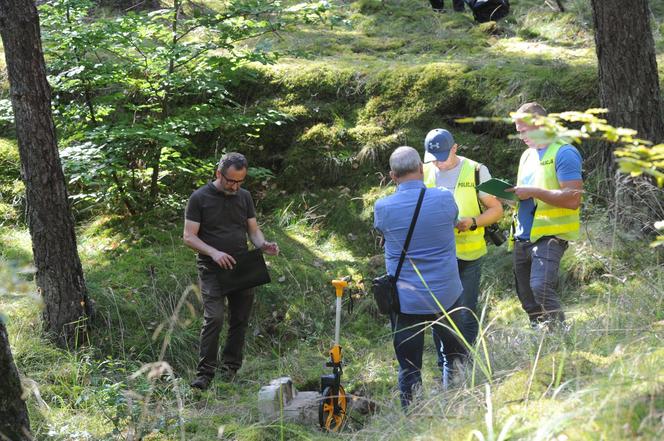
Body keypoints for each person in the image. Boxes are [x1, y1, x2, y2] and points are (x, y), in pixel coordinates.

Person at [374, 146, 466, 409]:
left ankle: (413, 418)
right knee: (454, 356)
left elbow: (381, 230)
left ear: (393, 175)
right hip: (446, 296)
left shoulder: (383, 207)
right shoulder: (444, 199)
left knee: (409, 367)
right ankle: (459, 406)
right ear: (422, 169)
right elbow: (453, 221)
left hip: (406, 299)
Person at [183, 152, 279, 390]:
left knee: (240, 319)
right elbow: (188, 237)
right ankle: (204, 375)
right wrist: (214, 252)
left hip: (241, 265)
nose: (235, 186)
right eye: (230, 181)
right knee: (214, 318)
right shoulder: (199, 198)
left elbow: (253, 231)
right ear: (218, 174)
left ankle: (230, 369)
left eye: (240, 181)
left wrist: (263, 245)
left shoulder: (244, 197)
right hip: (211, 268)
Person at [422, 129, 503, 350]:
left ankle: (468, 363)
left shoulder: (477, 170)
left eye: (442, 157)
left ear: (455, 148)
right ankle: (445, 365)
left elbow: (496, 210)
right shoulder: (424, 171)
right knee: (440, 315)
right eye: (433, 158)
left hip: (469, 256)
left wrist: (473, 221)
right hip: (437, 257)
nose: (437, 163)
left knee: (466, 312)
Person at [507, 102, 583, 327]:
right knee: (527, 297)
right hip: (523, 236)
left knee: (540, 288)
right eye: (518, 131)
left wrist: (534, 192)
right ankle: (541, 339)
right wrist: (511, 198)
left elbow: (573, 198)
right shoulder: (527, 156)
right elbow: (527, 197)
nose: (520, 136)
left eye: (523, 130)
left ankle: (560, 337)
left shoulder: (564, 152)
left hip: (551, 235)